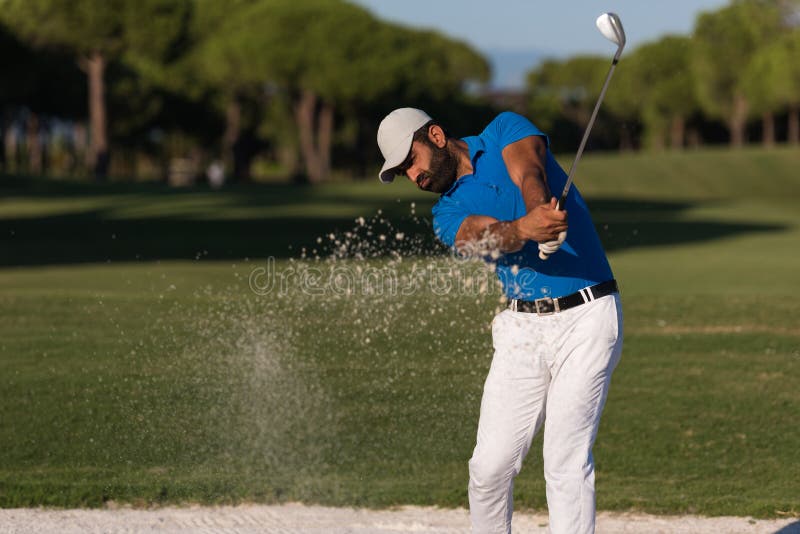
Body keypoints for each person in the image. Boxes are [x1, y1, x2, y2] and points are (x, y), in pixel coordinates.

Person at [376, 108, 623, 534]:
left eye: (410, 161)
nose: (413, 176)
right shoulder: (445, 214)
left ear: (435, 135)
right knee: (488, 469)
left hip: (587, 316)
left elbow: (529, 170)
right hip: (521, 328)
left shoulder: (503, 129)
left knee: (564, 460)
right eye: (402, 173)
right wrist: (528, 229)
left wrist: (538, 210)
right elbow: (482, 234)